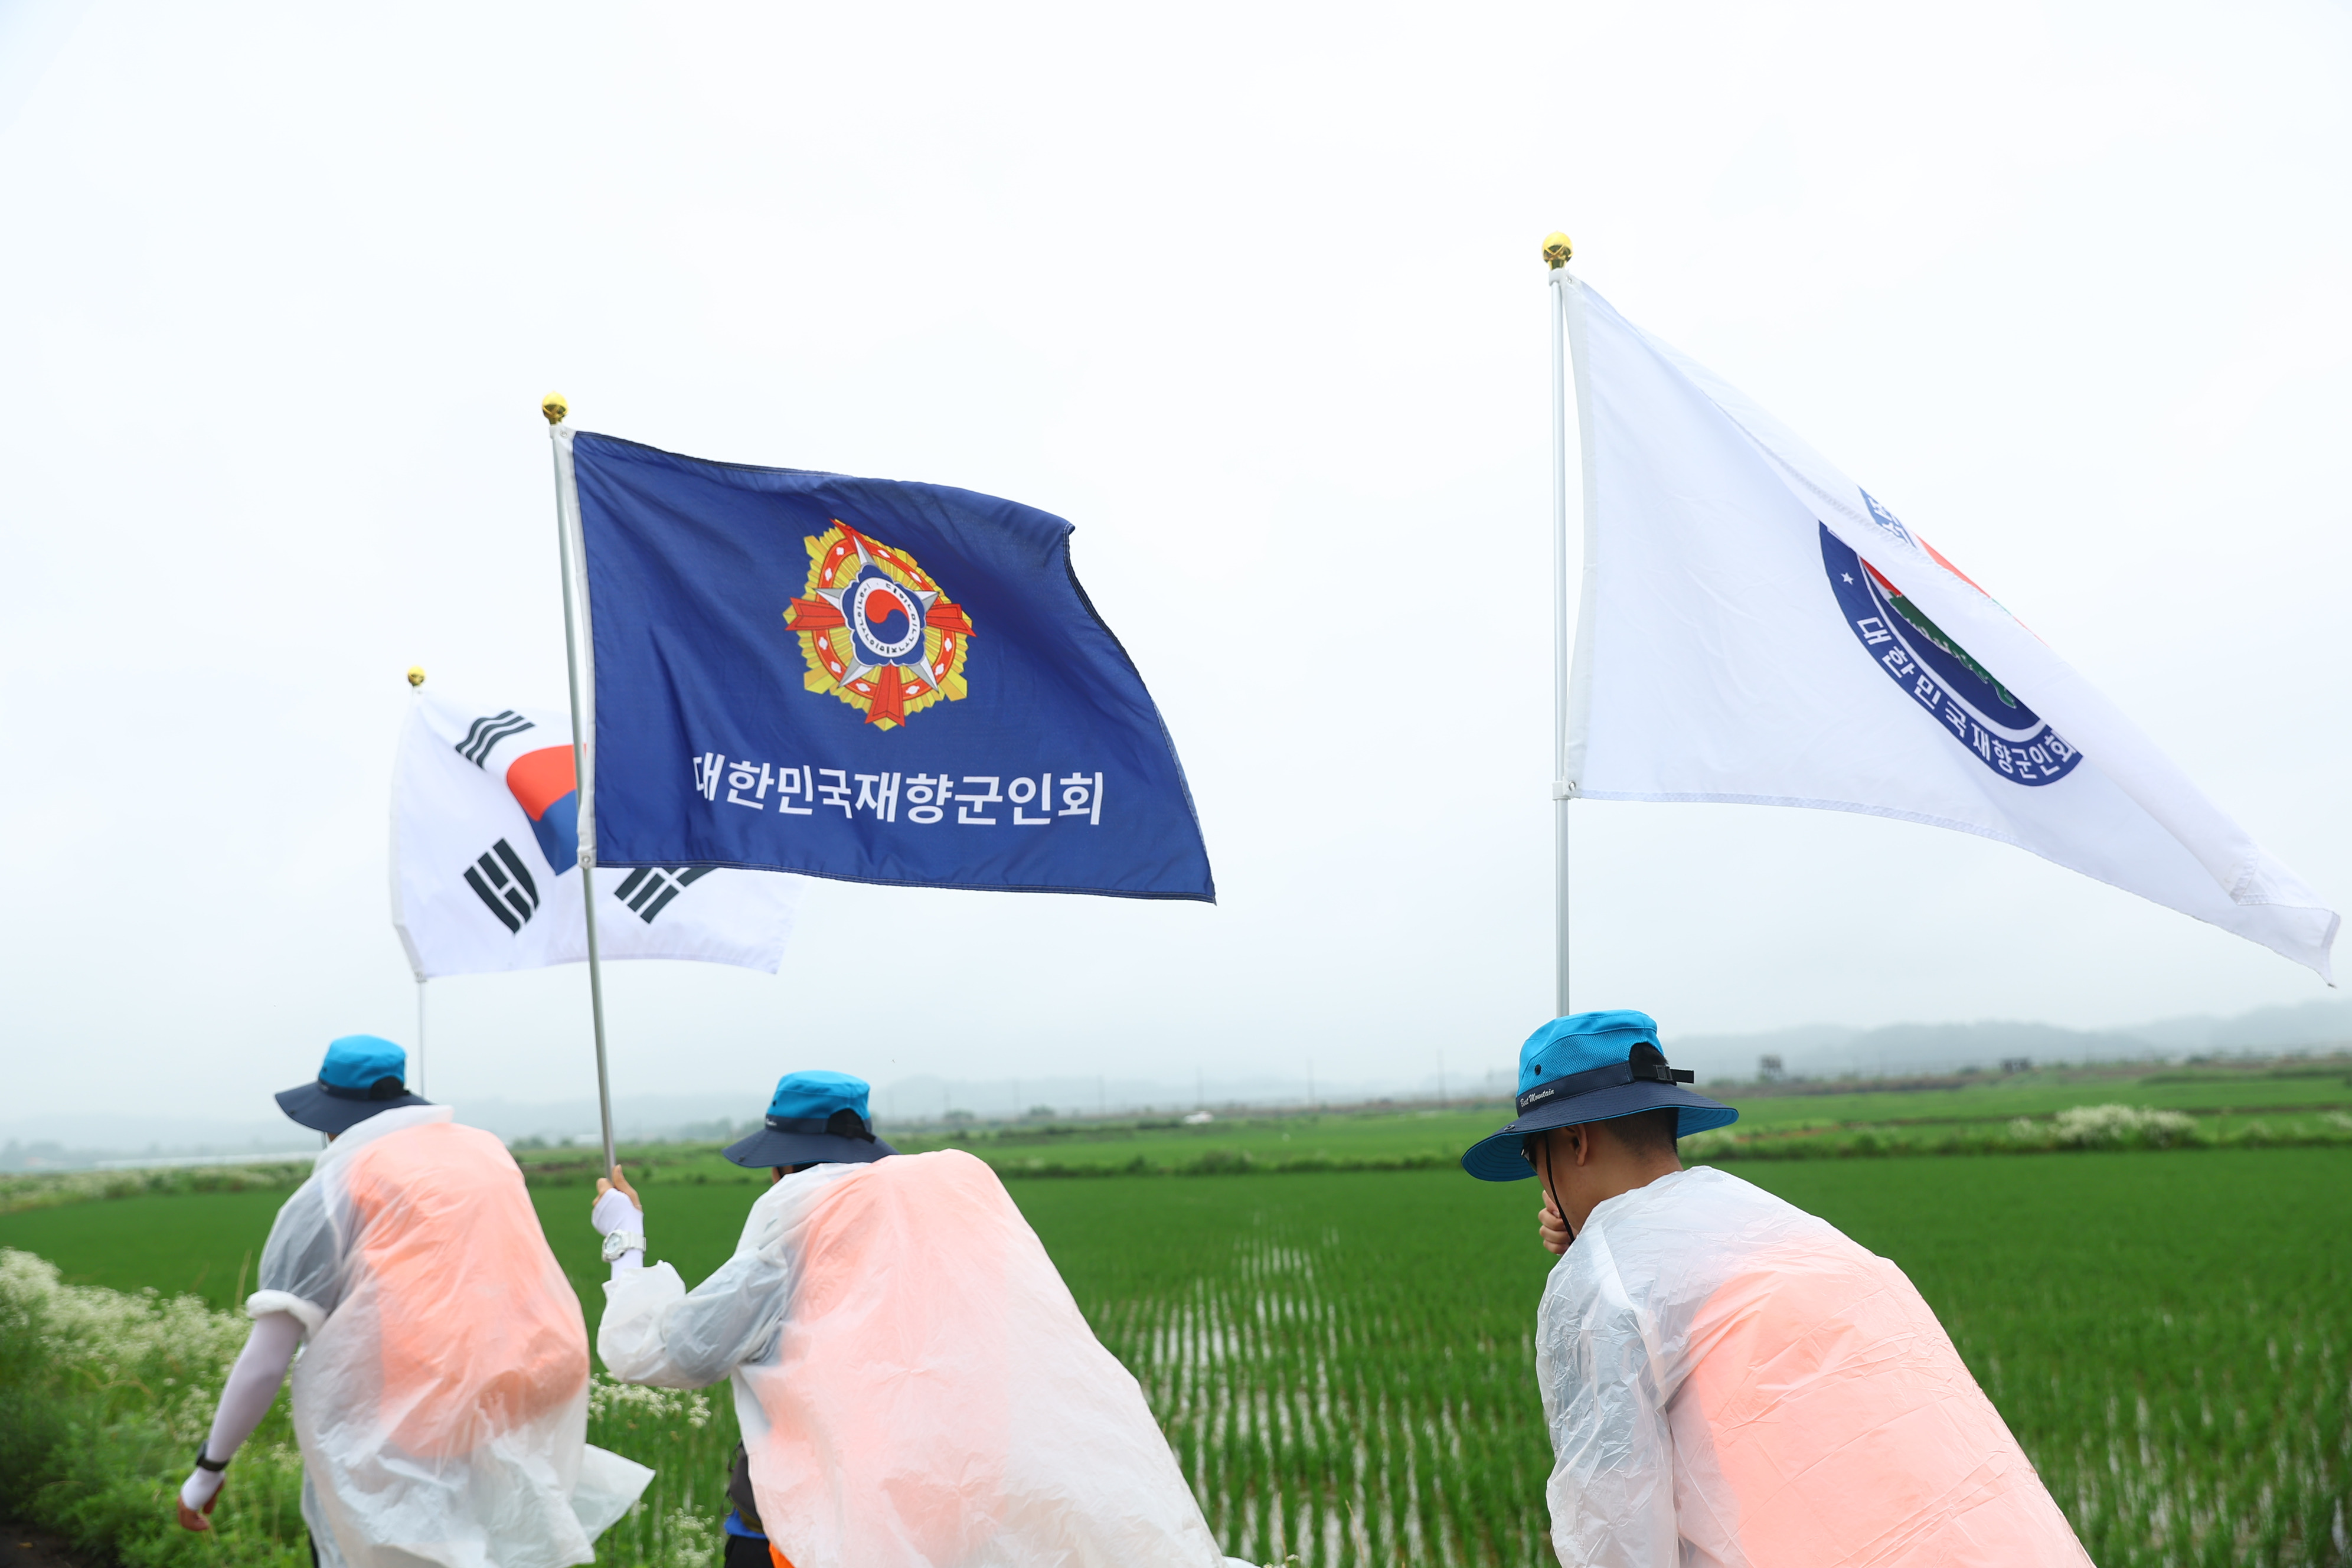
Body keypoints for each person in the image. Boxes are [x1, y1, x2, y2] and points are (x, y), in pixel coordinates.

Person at [1462, 1010, 2092, 1568]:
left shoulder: (1604, 1282)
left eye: (1533, 1157)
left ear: (1575, 1141)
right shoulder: (1788, 1229)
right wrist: (1599, 1243)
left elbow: (1614, 1538)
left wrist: (1595, 1263)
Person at [592, 1069, 1249, 1568]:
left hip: (814, 1533)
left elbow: (671, 1350)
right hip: (958, 1521)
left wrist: (626, 1245)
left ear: (783, 1162)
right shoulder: (952, 1218)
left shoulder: (797, 1229)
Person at [175, 1035, 649, 1568]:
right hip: (509, 1416)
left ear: (331, 1119)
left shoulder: (337, 1185)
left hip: (399, 1440)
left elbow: (268, 1359)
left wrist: (209, 1469)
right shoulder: (485, 1152)